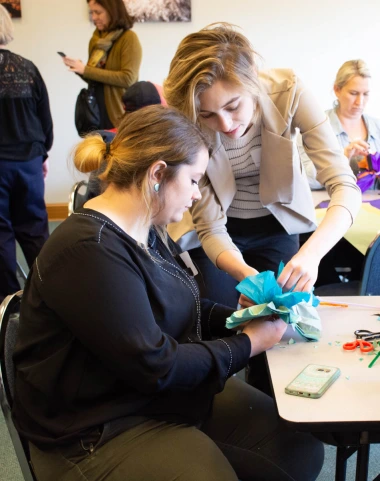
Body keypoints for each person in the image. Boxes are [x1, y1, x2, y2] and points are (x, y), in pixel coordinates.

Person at [13, 105, 324, 481]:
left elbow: (182, 303)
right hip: (96, 429)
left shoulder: (144, 226)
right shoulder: (87, 250)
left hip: (142, 395)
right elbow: (156, 366)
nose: (196, 195)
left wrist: (239, 316)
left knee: (297, 447)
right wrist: (250, 343)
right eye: (193, 180)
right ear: (158, 173)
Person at [164, 23, 362, 309]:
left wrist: (312, 255)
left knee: (282, 316)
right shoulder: (189, 116)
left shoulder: (289, 91)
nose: (225, 125)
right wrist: (245, 275)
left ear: (252, 79)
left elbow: (345, 185)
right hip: (220, 230)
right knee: (221, 313)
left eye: (233, 107)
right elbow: (209, 227)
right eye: (208, 115)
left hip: (279, 225)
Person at [0, 4, 53, 303]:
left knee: (0, 235)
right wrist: (41, 156)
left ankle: (8, 302)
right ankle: (48, 294)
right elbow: (44, 120)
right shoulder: (27, 68)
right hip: (29, 162)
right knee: (34, 230)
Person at [299, 59, 380, 190]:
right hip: (330, 207)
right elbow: (304, 180)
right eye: (353, 93)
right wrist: (342, 157)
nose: (360, 101)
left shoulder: (377, 127)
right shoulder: (314, 127)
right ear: (337, 90)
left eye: (366, 94)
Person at [62, 0, 142, 129]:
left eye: (98, 12)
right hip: (95, 112)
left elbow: (128, 78)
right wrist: (78, 69)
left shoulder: (129, 38)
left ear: (113, 11)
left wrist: (86, 70)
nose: (94, 17)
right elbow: (95, 77)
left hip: (117, 113)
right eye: (92, 12)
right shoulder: (96, 40)